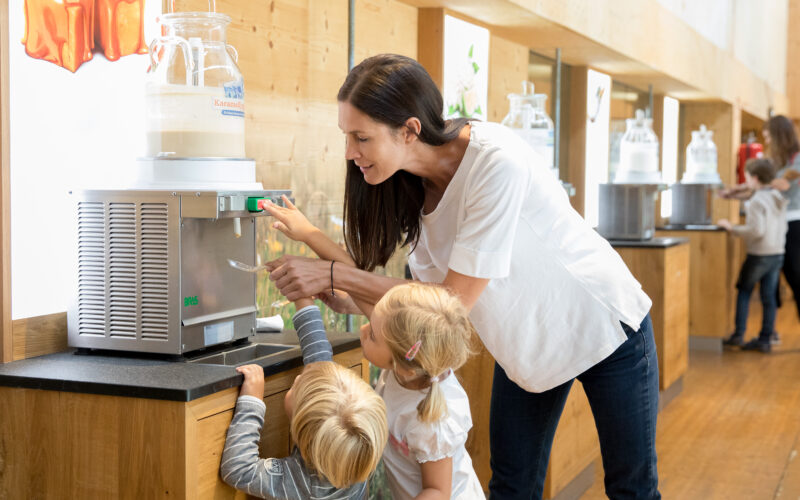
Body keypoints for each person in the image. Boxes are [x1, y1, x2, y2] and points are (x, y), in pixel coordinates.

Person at [264, 54, 660, 499]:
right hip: (525, 345)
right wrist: (322, 252)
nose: (350, 152)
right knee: (512, 486)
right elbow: (411, 312)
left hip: (604, 322)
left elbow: (447, 303)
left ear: (409, 130)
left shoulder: (496, 164)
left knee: (632, 489)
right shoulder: (404, 181)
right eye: (346, 137)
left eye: (361, 138)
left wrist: (335, 275)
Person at [219, 296, 388, 499]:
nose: (299, 377)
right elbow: (319, 361)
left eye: (298, 385)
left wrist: (252, 402)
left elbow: (238, 470)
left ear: (301, 429)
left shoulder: (298, 481)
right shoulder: (353, 452)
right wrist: (302, 299)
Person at [364, 282, 483, 499]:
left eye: (371, 334)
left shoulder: (432, 424)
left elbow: (437, 491)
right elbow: (384, 326)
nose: (363, 330)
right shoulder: (415, 363)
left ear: (403, 366)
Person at [721, 115, 800, 336]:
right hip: (778, 225)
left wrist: (745, 187)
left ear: (778, 135)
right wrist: (735, 191)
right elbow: (761, 185)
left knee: (794, 275)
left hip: (794, 223)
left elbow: (777, 183)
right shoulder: (773, 161)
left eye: (768, 136)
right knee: (770, 288)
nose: (766, 141)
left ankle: (759, 332)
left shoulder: (796, 159)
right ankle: (769, 332)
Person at [719, 159, 788, 353]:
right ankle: (765, 338)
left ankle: (738, 335)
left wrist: (732, 228)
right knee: (768, 297)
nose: (746, 181)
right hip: (777, 252)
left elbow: (757, 230)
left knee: (744, 291)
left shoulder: (757, 200)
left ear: (755, 178)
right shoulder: (776, 195)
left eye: (747, 177)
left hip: (759, 254)